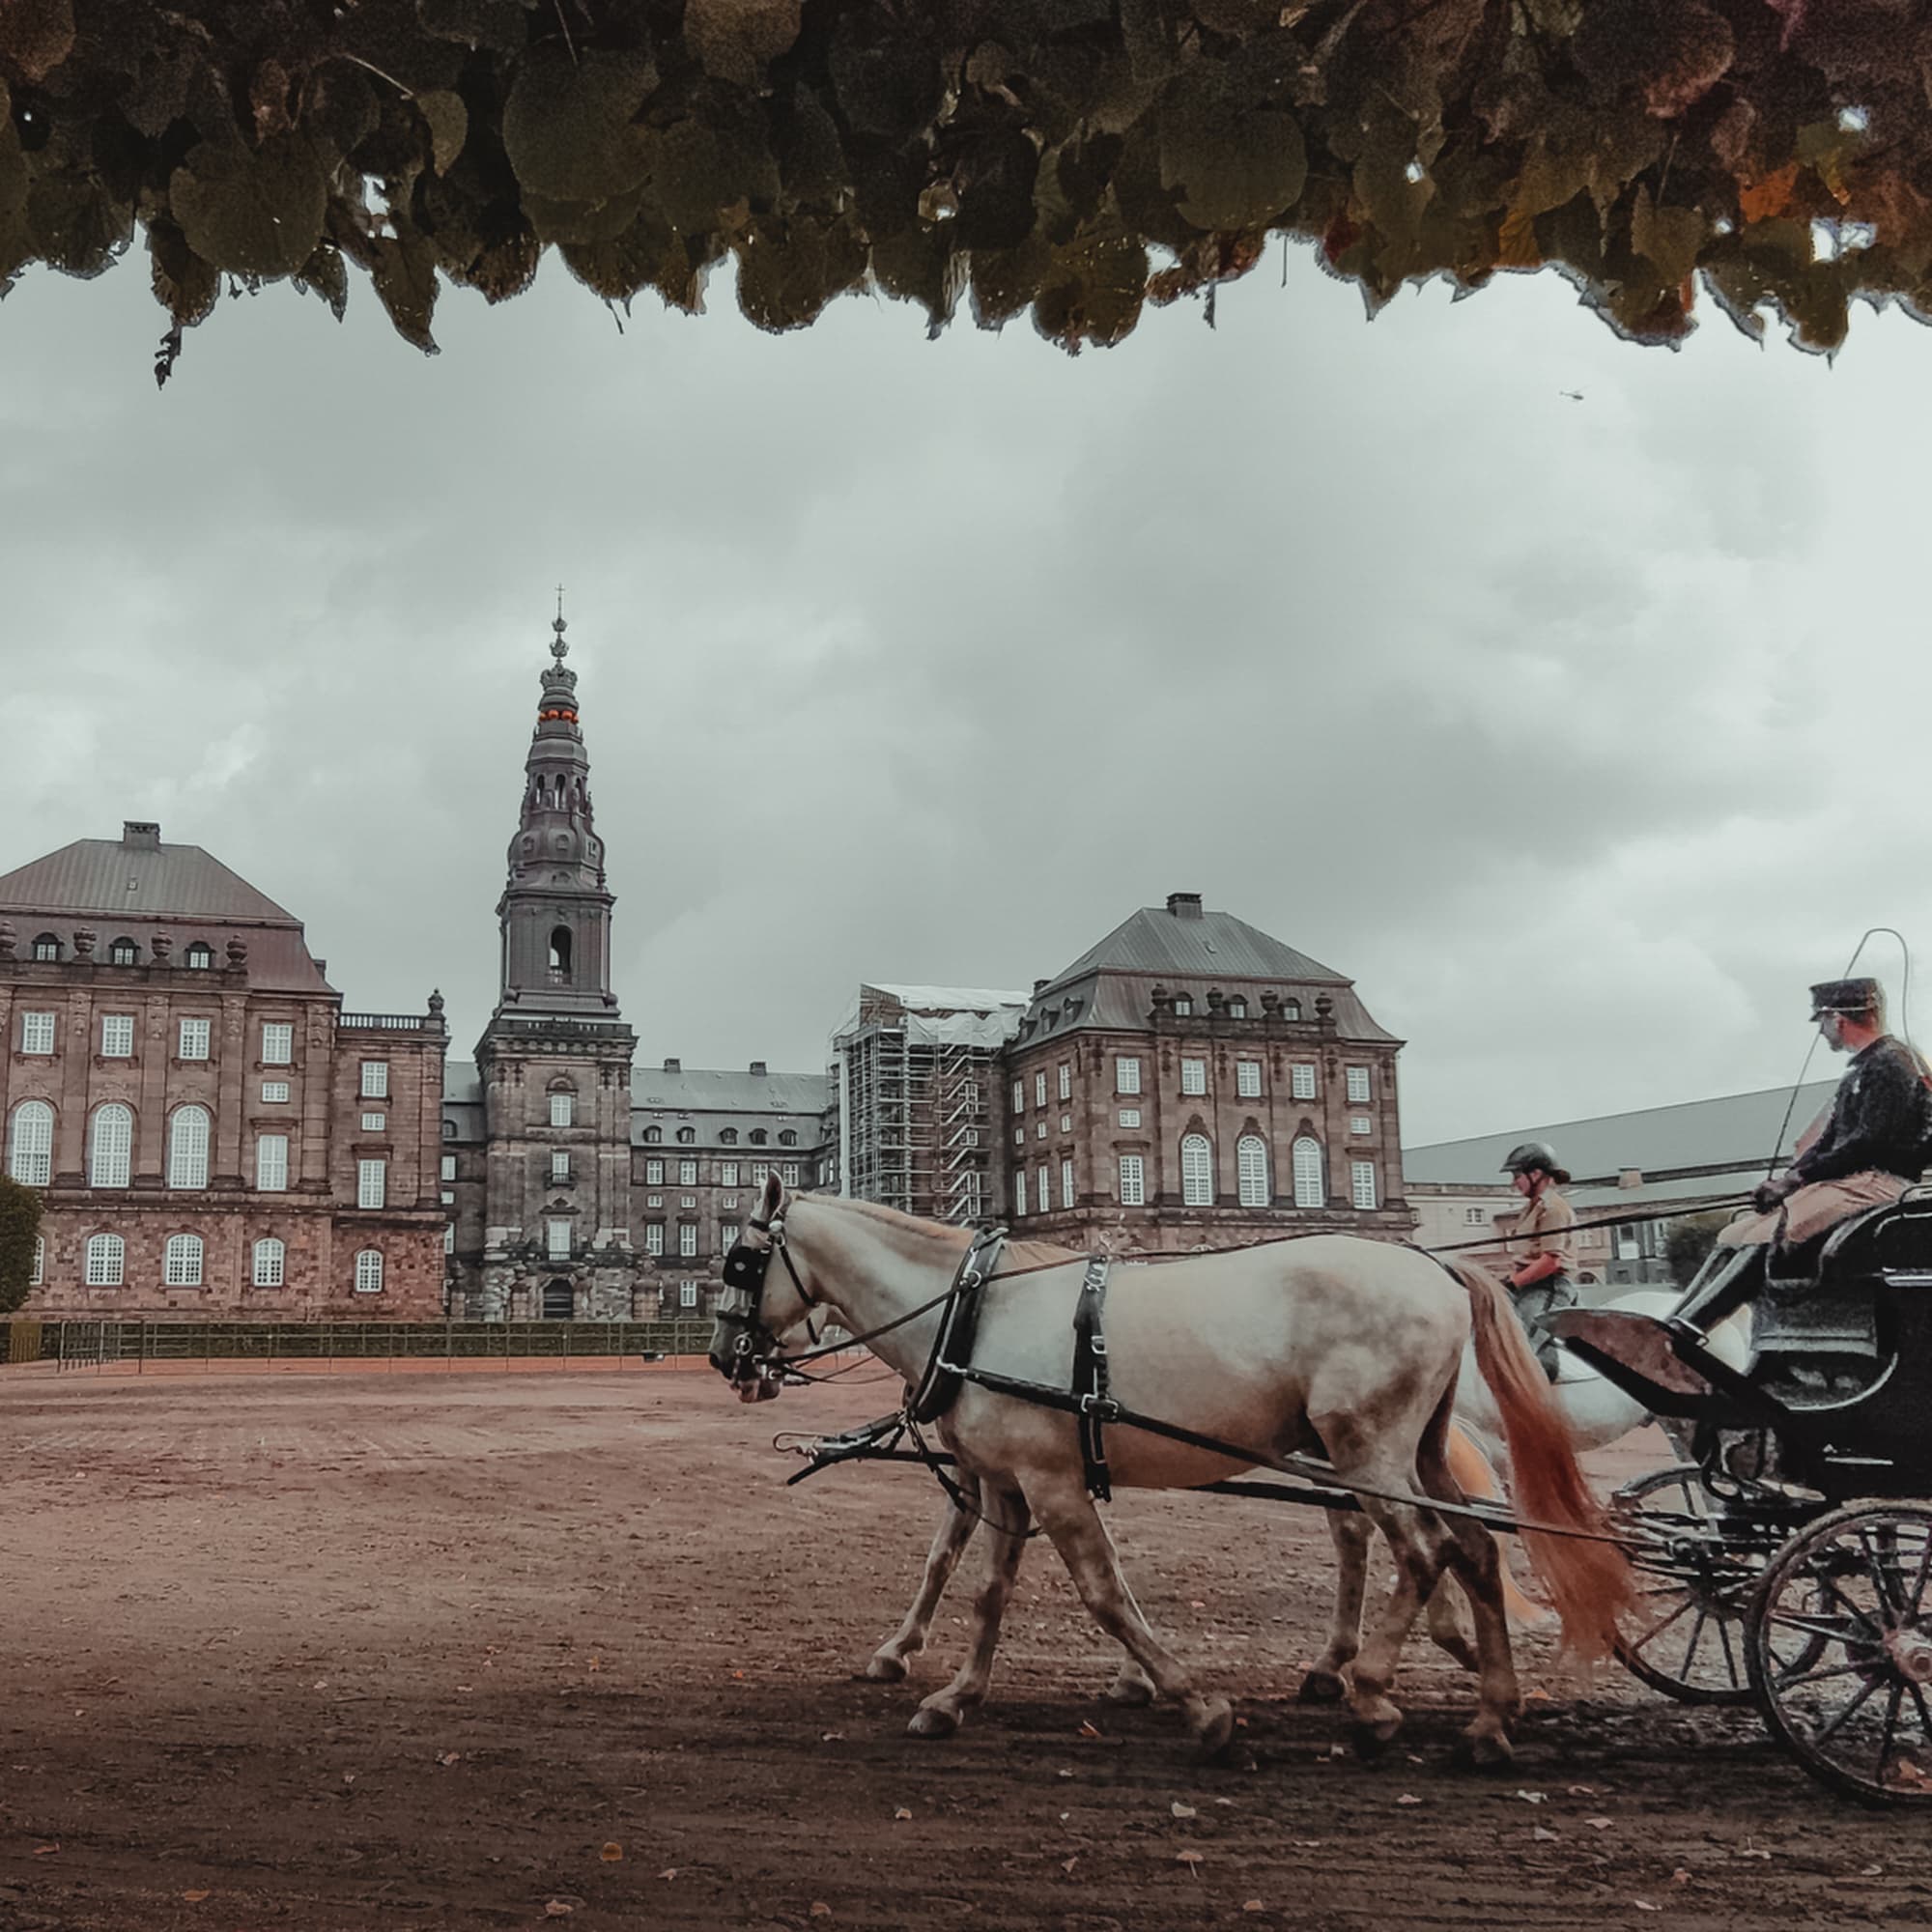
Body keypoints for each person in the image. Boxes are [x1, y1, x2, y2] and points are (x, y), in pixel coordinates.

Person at [1677, 977, 1932, 1335]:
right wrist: (1787, 1180)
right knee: (1734, 1235)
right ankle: (1677, 1320)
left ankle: (1688, 1330)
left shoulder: (1891, 1065)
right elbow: (1830, 1139)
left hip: (1877, 1182)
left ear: (1838, 1018)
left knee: (1767, 1236)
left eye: (1821, 1022)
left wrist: (1796, 1180)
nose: (1821, 1032)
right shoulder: (1863, 1069)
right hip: (1848, 1181)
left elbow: (1867, 1143)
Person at [1498, 1140, 1578, 1378]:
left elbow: (1550, 1262)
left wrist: (1513, 1283)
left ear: (1536, 1173)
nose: (1514, 1182)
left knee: (1522, 1349)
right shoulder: (1530, 1208)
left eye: (1517, 1175)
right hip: (1527, 1286)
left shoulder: (1553, 1209)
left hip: (1549, 1288)